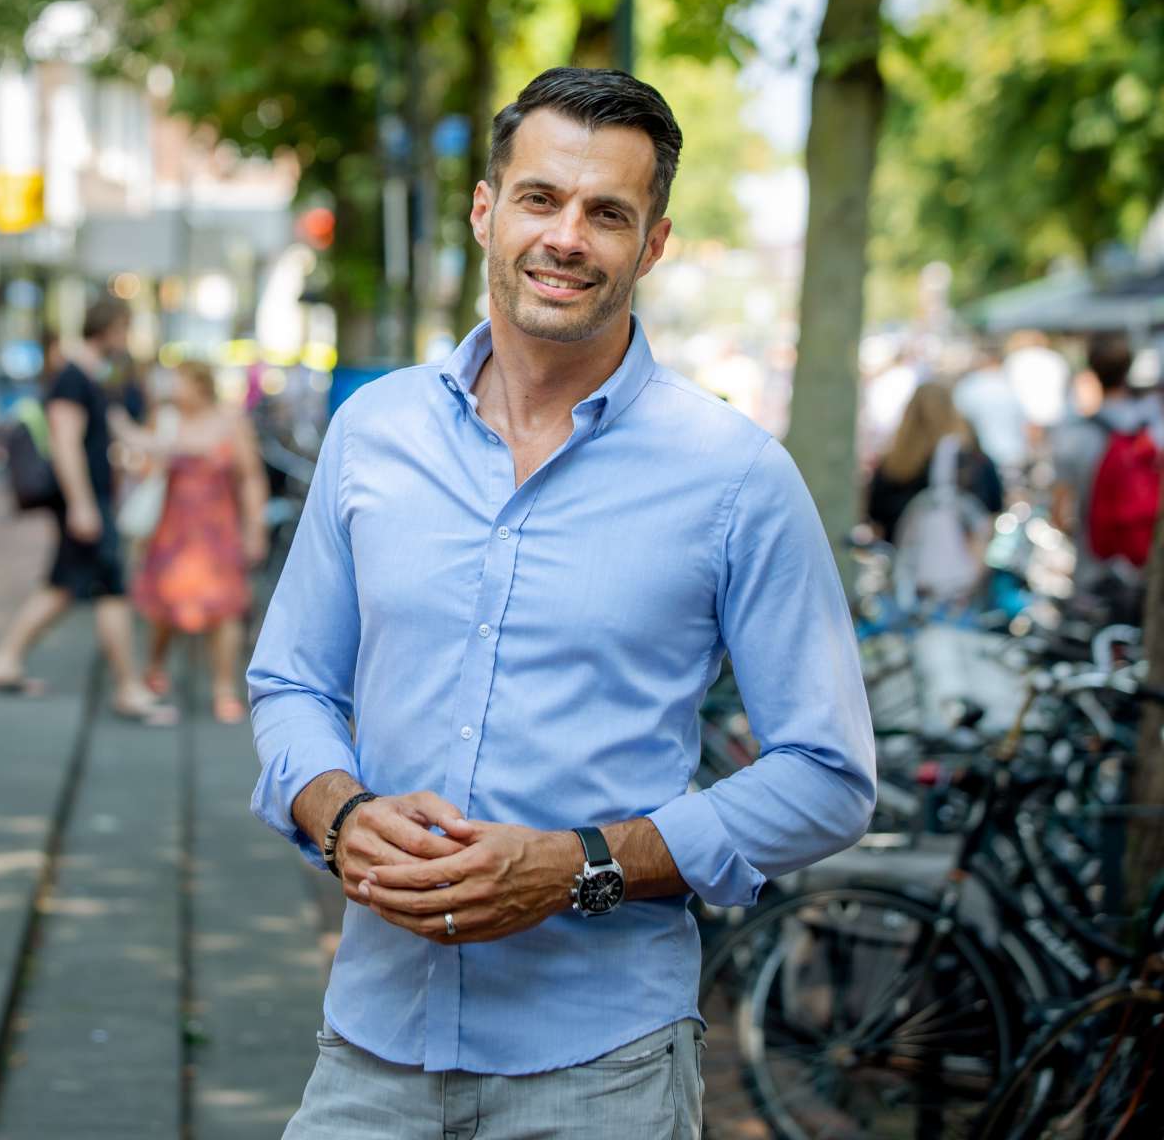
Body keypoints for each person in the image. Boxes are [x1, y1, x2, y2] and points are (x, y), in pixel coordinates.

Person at [250, 67, 875, 1137]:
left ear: (654, 244)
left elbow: (828, 775)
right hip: (370, 1047)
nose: (567, 237)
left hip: (602, 1071)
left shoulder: (734, 475)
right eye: (540, 198)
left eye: (608, 213)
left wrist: (578, 867)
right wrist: (339, 813)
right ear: (485, 211)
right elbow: (291, 682)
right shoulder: (372, 433)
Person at [0, 299, 175, 723]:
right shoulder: (72, 378)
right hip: (86, 501)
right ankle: (127, 687)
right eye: (124, 328)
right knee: (110, 588)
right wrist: (83, 505)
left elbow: (124, 432)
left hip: (93, 499)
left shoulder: (96, 376)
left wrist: (185, 443)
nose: (127, 339)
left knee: (64, 585)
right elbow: (65, 443)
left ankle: (5, 660)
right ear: (108, 327)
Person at [132, 361, 268, 722]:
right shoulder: (164, 419)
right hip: (172, 529)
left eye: (179, 381)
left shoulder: (231, 420)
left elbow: (250, 476)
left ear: (200, 385)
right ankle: (155, 667)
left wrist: (255, 527)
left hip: (218, 530)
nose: (172, 389)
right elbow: (142, 470)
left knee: (225, 609)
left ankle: (223, 687)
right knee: (166, 607)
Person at [1052, 334, 1163, 600]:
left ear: (1092, 372)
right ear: (1129, 369)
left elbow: (1060, 513)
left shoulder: (1073, 435)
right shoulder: (1153, 429)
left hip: (1094, 567)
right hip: (1148, 565)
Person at [865, 382, 1004, 542]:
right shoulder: (972, 462)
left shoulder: (891, 466)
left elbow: (877, 520)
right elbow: (992, 511)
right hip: (961, 553)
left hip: (904, 553)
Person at [954, 341, 1030, 477]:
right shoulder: (1013, 385)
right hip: (1012, 453)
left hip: (981, 456)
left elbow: (959, 422)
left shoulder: (968, 387)